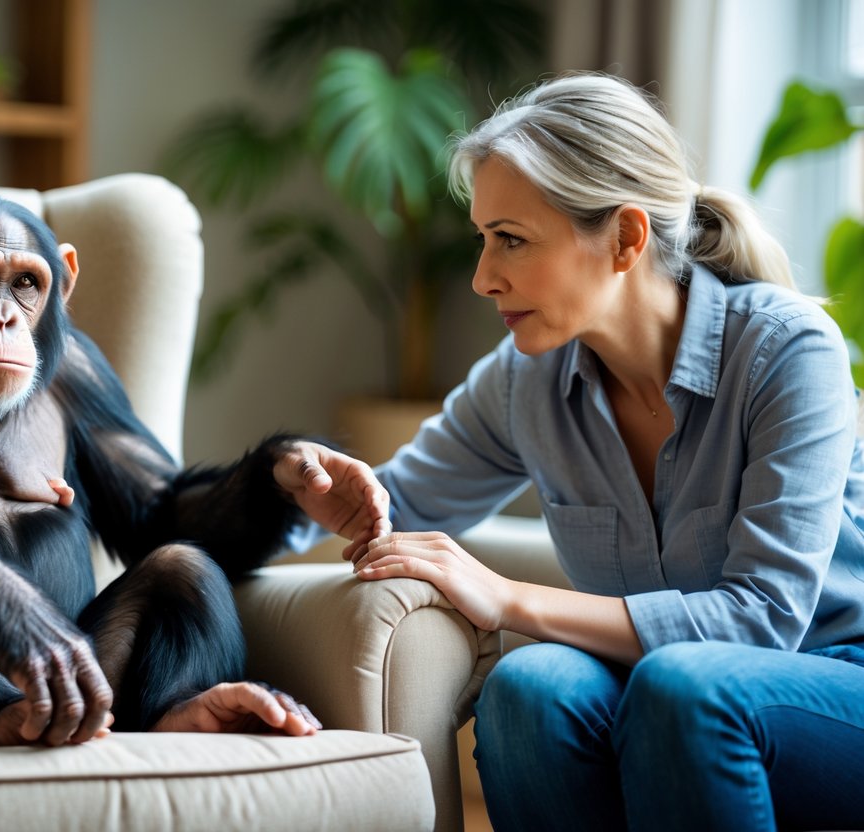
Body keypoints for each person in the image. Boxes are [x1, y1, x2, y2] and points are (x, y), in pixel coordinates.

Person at [281, 72, 864, 831]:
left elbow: (761, 620)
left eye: (511, 240)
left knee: (682, 685)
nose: (483, 278)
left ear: (624, 238)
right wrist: (302, 491)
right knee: (529, 688)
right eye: (483, 239)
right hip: (661, 694)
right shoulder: (527, 379)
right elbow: (395, 504)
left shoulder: (785, 351)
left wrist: (509, 597)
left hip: (831, 687)